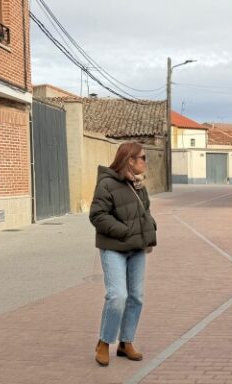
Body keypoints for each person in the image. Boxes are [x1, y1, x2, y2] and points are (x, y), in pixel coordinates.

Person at [89, 142, 157, 367]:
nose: (145, 162)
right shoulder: (107, 184)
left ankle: (125, 342)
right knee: (117, 296)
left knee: (136, 297)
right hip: (114, 248)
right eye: (143, 158)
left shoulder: (138, 185)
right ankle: (104, 342)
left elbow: (144, 210)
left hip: (136, 249)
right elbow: (97, 215)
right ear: (130, 160)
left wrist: (148, 226)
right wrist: (125, 231)